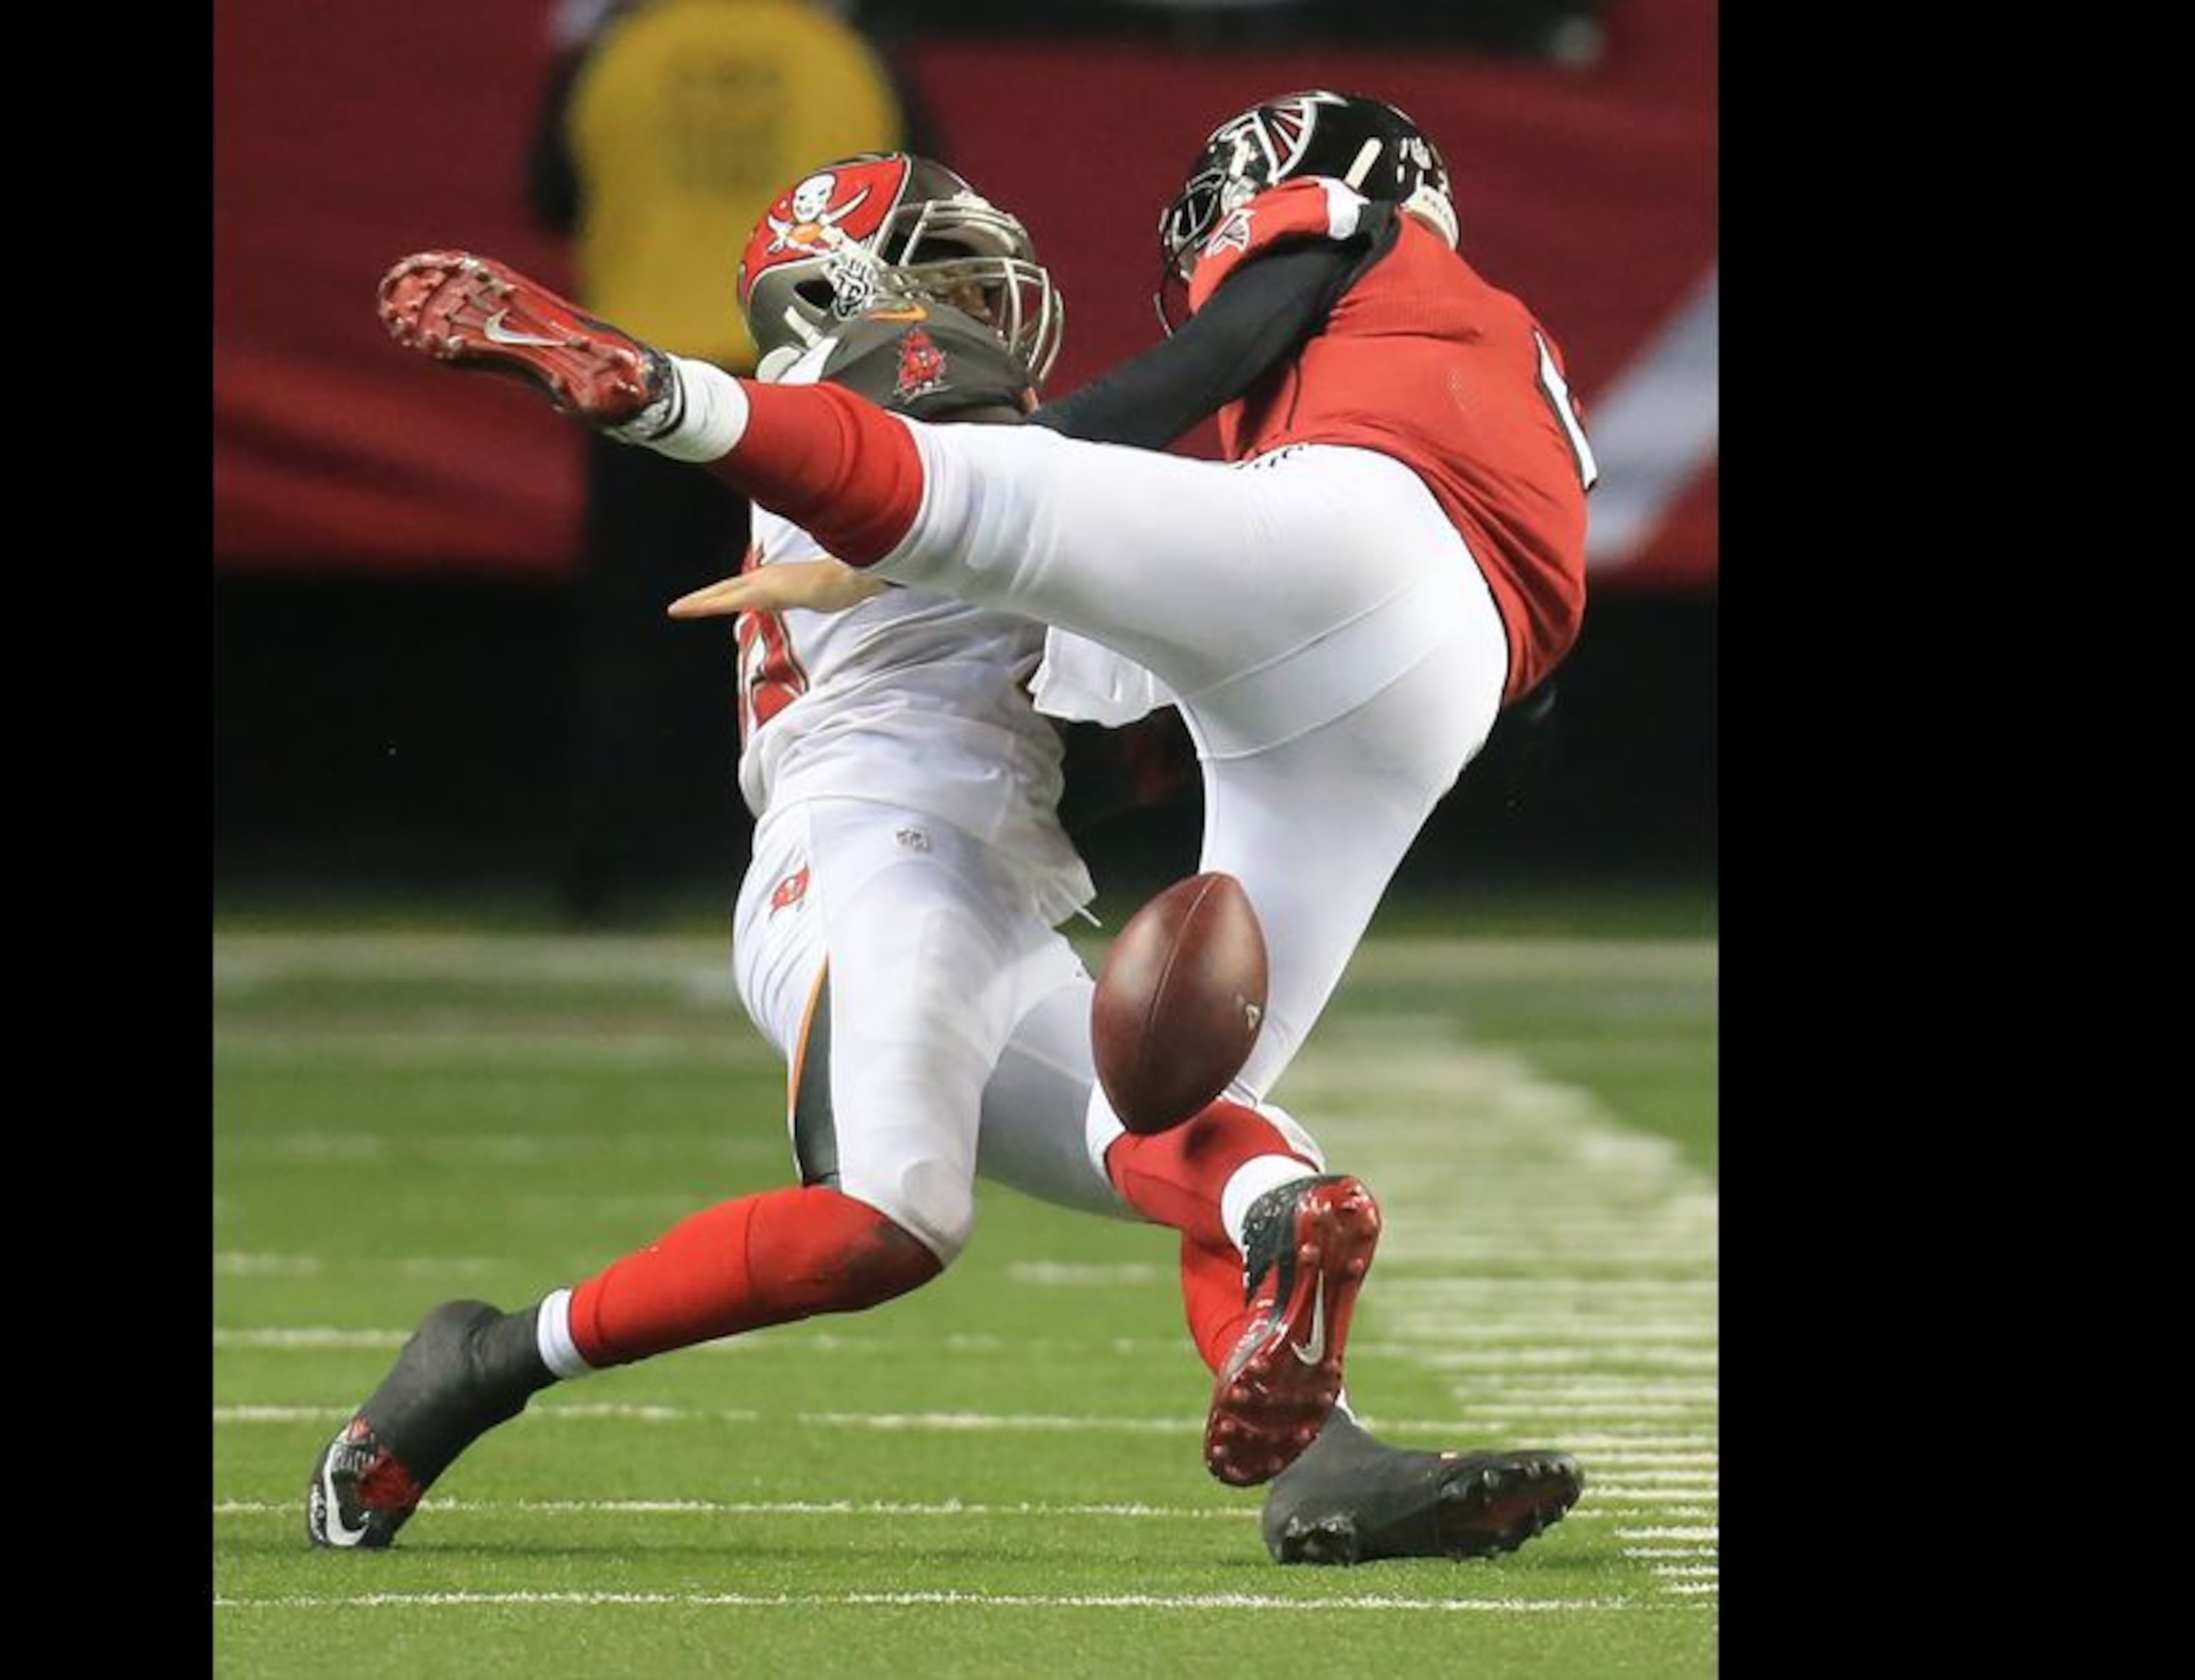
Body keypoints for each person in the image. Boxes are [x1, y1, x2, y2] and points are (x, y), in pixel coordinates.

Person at [347, 105, 1592, 1559]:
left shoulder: (957, 445)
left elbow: (1108, 679)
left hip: (994, 876)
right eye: (938, 265)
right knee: (887, 1221)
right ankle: (486, 1361)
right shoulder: (878, 390)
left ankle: (1326, 1462)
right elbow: (1007, 484)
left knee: (1237, 1150)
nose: (981, 298)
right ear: (840, 287)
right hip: (869, 854)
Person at [521, 0, 933, 919]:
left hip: (643, 378)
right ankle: (820, 852)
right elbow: (921, 211)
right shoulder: (844, 52)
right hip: (802, 387)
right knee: (817, 626)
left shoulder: (618, 53)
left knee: (637, 631)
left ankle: (616, 870)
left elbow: (548, 195)